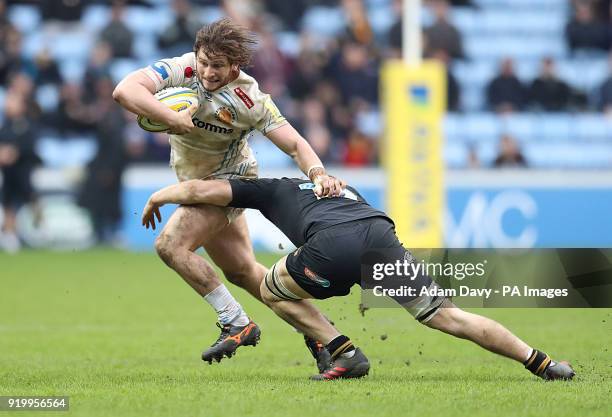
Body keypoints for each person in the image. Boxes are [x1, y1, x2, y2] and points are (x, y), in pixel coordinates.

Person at [141, 177, 577, 381]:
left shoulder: (269, 188)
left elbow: (201, 192)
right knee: (448, 316)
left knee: (268, 286)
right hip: (379, 235)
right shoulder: (341, 187)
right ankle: (541, 362)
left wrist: (161, 194)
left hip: (331, 246)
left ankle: (342, 351)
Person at [112, 18, 342, 367]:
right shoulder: (183, 68)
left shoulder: (250, 99)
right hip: (195, 180)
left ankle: (236, 322)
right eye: (203, 62)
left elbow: (294, 143)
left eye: (217, 66)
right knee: (244, 272)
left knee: (170, 245)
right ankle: (325, 335)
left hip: (230, 181)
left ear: (236, 64)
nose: (206, 72)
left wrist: (318, 172)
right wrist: (170, 118)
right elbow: (124, 91)